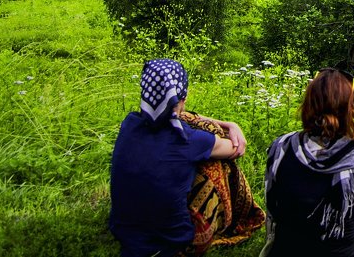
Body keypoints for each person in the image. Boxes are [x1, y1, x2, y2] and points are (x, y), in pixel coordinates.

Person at [109, 59, 260, 257]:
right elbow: (235, 148)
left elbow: (184, 117)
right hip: (173, 244)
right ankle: (233, 220)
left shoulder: (129, 123)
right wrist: (232, 126)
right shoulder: (187, 139)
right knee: (216, 163)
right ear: (183, 98)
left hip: (124, 233)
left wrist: (225, 122)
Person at [263, 68, 354, 257]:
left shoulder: (280, 147)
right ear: (352, 110)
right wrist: (352, 137)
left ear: (308, 103)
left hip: (284, 251)